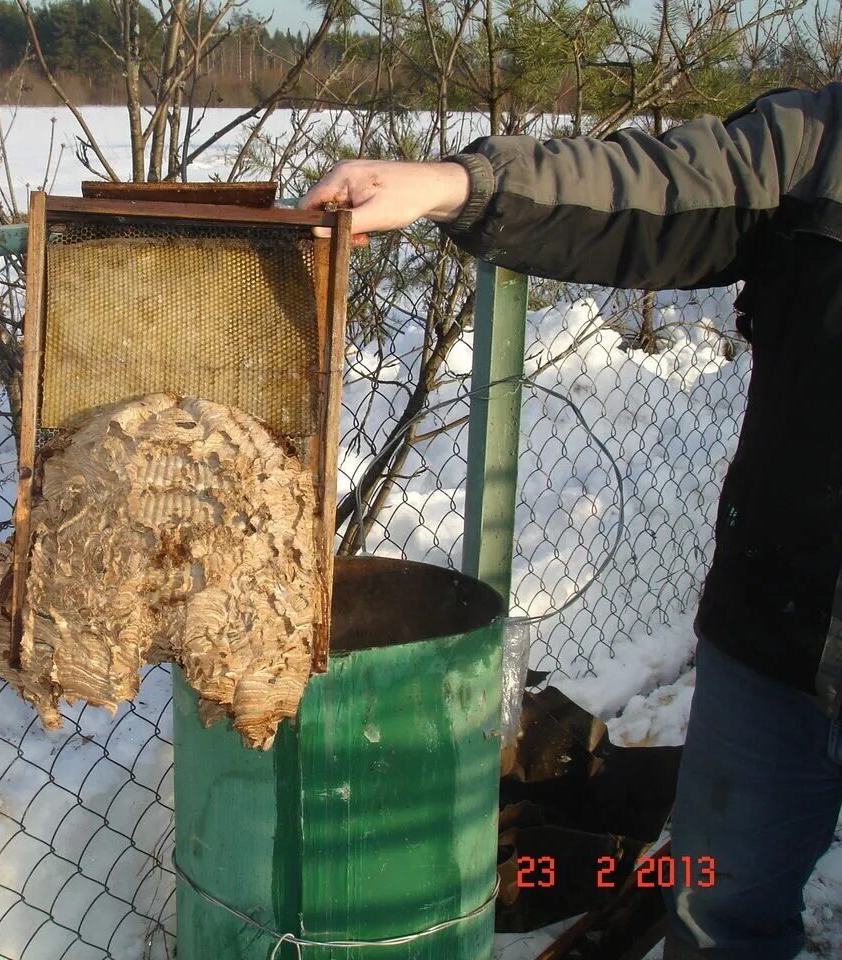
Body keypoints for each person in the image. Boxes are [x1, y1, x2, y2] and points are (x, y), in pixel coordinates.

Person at [301, 83, 842, 960]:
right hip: (778, 633)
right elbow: (653, 186)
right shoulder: (818, 144)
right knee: (717, 909)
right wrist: (454, 185)